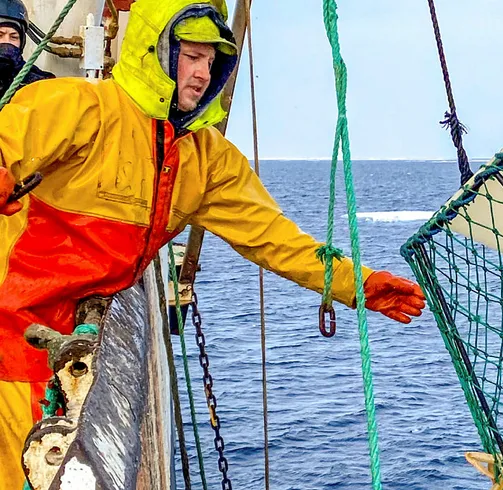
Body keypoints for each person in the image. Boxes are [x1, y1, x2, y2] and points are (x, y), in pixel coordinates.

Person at [0, 0, 425, 485]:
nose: (202, 74)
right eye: (191, 55)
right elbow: (10, 141)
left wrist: (358, 285)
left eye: (212, 60)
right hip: (13, 331)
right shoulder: (78, 107)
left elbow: (274, 238)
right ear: (154, 51)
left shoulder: (208, 160)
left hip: (74, 334)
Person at [0, 0, 54, 96]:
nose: (6, 42)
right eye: (0, 35)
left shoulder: (38, 83)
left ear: (22, 43)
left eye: (14, 37)